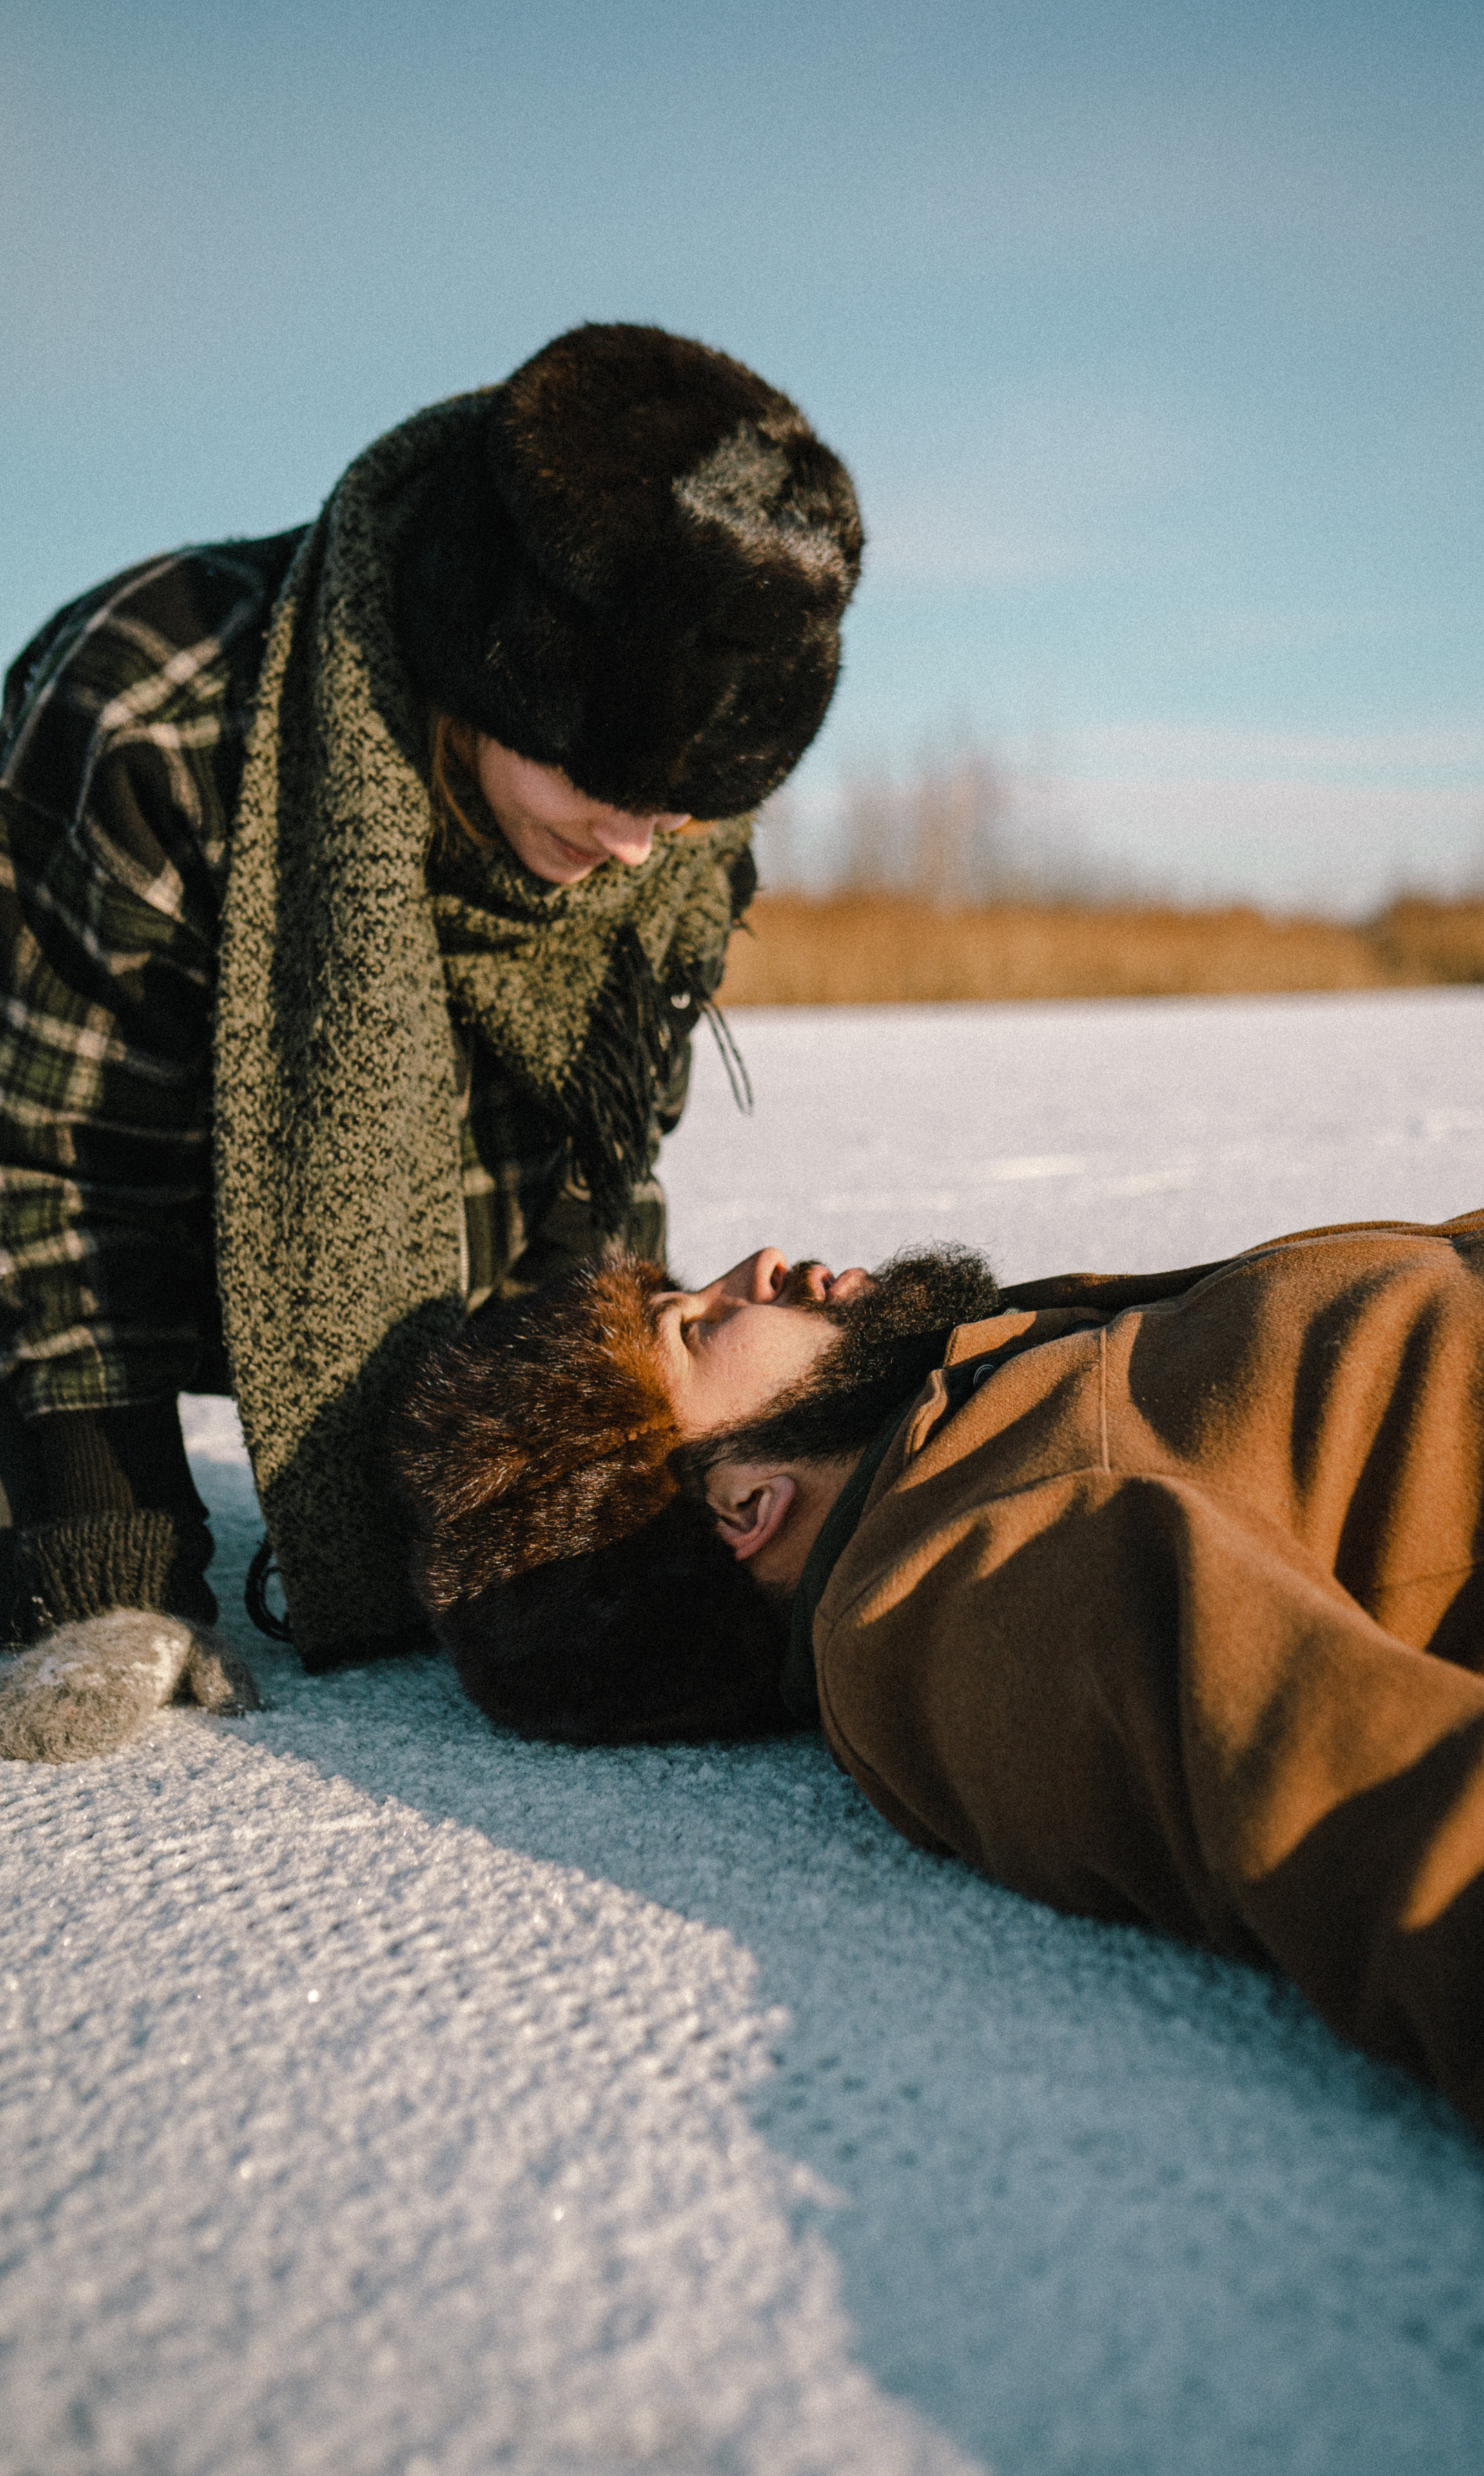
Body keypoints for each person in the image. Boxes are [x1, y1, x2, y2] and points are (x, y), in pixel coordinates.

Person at [387, 1199, 1484, 2225]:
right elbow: (1399, 1827)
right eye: (698, 1326)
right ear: (743, 1506)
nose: (757, 1265)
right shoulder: (962, 1574)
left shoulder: (958, 1402)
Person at [0, 321, 863, 1717]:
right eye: (608, 790)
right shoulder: (155, 713)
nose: (638, 851)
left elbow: (598, 1170)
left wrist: (559, 1494)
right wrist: (106, 1550)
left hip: (436, 1272)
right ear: (483, 661)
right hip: (158, 1233)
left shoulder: (676, 811)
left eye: (681, 811)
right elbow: (55, 1165)